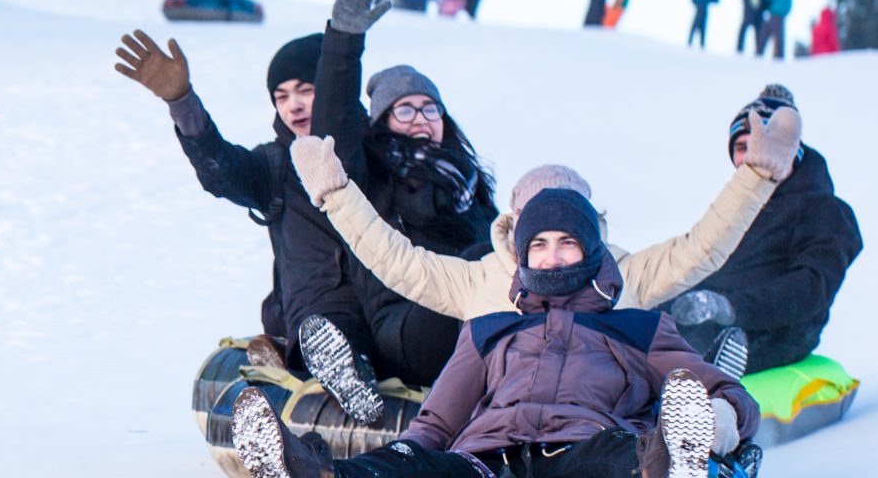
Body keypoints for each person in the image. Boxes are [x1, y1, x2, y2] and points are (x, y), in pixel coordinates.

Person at [229, 187, 761, 478]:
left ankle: (668, 465)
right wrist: (404, 463)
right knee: (419, 468)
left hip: (583, 450)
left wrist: (717, 424)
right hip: (488, 464)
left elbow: (728, 393)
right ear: (523, 256)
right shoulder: (488, 330)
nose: (552, 257)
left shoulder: (638, 328)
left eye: (567, 243)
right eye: (539, 246)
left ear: (592, 251)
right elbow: (437, 423)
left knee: (613, 452)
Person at [286, 100, 802, 323]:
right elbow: (397, 261)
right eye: (539, 228)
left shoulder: (623, 275)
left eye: (569, 230)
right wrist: (337, 196)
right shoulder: (484, 280)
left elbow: (702, 248)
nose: (553, 250)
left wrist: (756, 177)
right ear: (517, 224)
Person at [284, 0, 501, 417]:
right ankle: (347, 369)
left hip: (469, 315)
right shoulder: (372, 174)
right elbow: (335, 126)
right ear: (383, 121)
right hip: (405, 327)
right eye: (405, 110)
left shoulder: (470, 183)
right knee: (483, 261)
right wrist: (344, 38)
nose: (421, 118)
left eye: (430, 108)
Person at [113, 28, 325, 367]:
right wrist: (182, 102)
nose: (293, 106)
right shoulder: (274, 166)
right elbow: (220, 170)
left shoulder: (373, 151)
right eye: (281, 97)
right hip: (309, 320)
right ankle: (290, 363)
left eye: (306, 91)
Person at [663, 84, 862, 375]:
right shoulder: (739, 210)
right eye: (741, 148)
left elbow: (810, 288)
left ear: (791, 150)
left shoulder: (824, 210)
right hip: (709, 317)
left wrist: (729, 307)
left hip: (775, 332)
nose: (750, 157)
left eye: (760, 144)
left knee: (696, 344)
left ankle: (707, 381)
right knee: (641, 322)